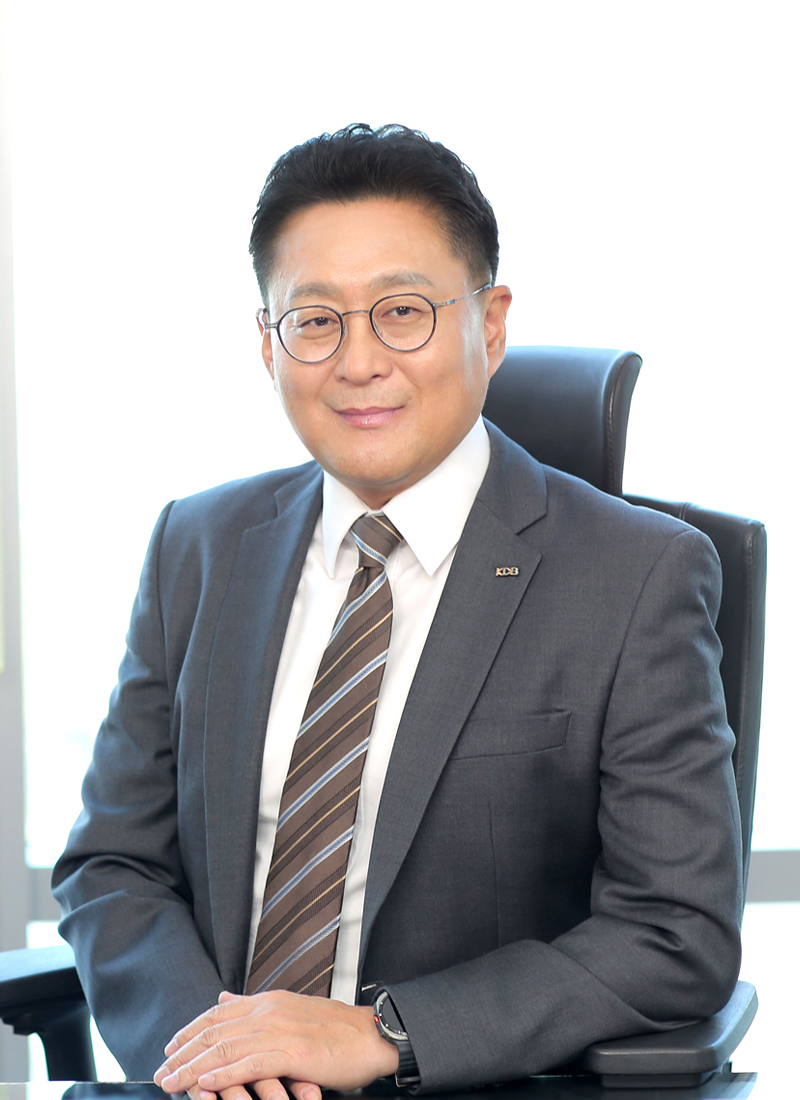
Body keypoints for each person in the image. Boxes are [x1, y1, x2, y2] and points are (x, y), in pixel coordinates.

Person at [53, 124, 742, 1100]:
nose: (358, 362)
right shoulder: (197, 545)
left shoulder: (635, 575)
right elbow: (114, 862)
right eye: (316, 321)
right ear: (268, 344)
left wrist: (387, 1034)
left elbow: (673, 931)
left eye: (403, 312)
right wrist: (223, 1057)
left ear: (489, 324)